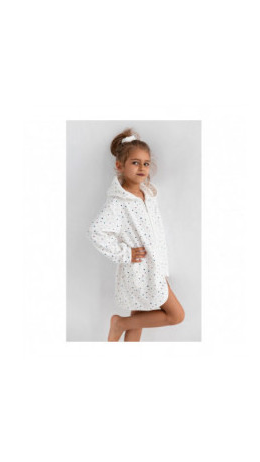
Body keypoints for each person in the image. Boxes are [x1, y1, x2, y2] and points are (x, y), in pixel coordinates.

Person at [87, 128, 185, 341]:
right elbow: (97, 232)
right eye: (135, 162)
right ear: (119, 166)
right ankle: (119, 323)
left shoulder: (147, 195)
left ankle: (124, 329)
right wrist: (125, 253)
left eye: (146, 163)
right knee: (176, 315)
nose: (142, 168)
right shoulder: (118, 203)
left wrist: (162, 264)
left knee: (138, 317)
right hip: (138, 269)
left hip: (154, 267)